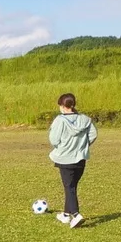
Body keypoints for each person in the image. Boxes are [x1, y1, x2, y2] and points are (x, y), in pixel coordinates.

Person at [49, 93, 97, 228]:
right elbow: (93, 134)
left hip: (65, 159)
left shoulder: (59, 120)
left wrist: (63, 146)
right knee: (71, 187)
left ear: (63, 106)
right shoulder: (85, 119)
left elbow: (54, 140)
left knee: (69, 187)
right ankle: (65, 214)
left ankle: (76, 214)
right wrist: (82, 146)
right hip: (80, 159)